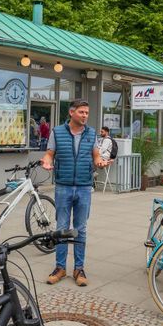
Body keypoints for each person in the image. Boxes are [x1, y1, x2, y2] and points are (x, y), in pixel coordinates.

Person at [41, 99, 111, 286]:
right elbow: (49, 152)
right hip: (63, 186)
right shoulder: (57, 132)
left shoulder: (91, 134)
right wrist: (47, 161)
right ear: (71, 112)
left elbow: (96, 155)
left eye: (87, 113)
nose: (85, 116)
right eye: (81, 112)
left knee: (81, 229)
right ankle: (60, 268)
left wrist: (100, 162)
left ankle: (79, 269)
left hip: (84, 186)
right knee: (62, 228)